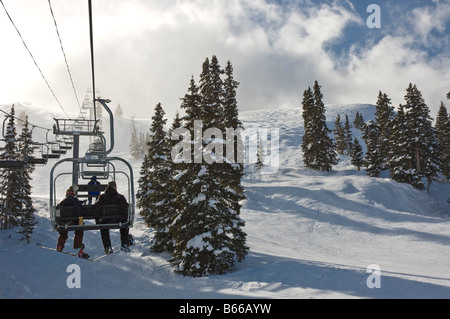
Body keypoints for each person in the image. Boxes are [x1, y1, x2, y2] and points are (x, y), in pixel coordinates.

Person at [94, 181, 132, 254]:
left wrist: (98, 219)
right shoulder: (120, 197)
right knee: (124, 225)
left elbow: (96, 207)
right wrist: (124, 218)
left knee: (104, 228)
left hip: (105, 221)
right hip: (118, 220)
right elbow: (124, 208)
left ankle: (107, 246)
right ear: (115, 187)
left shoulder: (102, 197)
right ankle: (124, 243)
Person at [56, 186, 90, 259]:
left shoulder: (61, 202)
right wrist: (80, 220)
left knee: (63, 233)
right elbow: (78, 209)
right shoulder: (75, 201)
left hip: (62, 222)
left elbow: (57, 213)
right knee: (79, 230)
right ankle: (77, 245)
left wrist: (57, 223)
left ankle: (60, 246)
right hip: (72, 222)